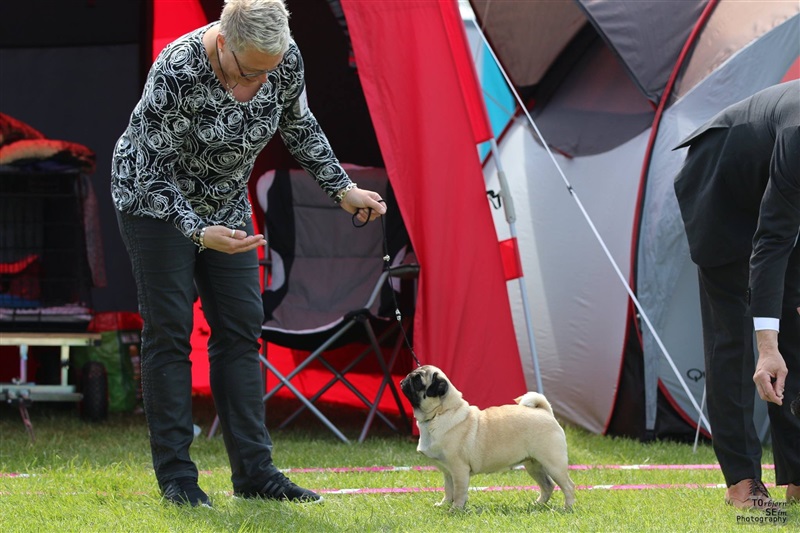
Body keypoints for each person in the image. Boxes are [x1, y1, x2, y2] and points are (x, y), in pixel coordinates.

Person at [111, 0, 385, 507]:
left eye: (269, 70)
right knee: (170, 332)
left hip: (226, 201)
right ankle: (178, 480)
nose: (261, 81)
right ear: (224, 42)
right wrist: (198, 231)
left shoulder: (282, 58)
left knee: (240, 330)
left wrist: (342, 189)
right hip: (155, 204)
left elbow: (299, 125)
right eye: (250, 70)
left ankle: (256, 475)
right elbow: (150, 169)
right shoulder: (177, 69)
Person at [673, 80, 800, 510]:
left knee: (796, 329)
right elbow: (771, 240)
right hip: (721, 187)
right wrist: (767, 347)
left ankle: (798, 476)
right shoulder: (799, 133)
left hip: (777, 197)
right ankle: (743, 482)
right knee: (734, 340)